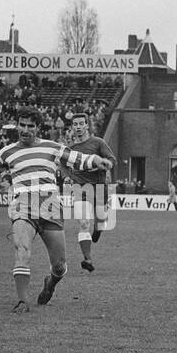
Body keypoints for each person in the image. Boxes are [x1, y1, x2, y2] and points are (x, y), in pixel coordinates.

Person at [0, 109, 111, 312]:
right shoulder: (7, 152)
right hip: (22, 207)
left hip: (50, 207)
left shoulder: (52, 147)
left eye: (31, 126)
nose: (26, 129)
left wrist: (98, 161)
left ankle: (50, 282)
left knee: (60, 266)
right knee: (22, 250)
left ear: (38, 128)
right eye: (22, 125)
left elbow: (80, 159)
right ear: (17, 125)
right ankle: (22, 301)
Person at [59, 115, 116, 271]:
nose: (78, 127)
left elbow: (112, 159)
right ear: (72, 127)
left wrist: (106, 164)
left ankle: (99, 229)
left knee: (101, 218)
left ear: (86, 126)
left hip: (99, 187)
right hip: (79, 188)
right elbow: (62, 164)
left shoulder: (98, 143)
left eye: (81, 124)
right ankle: (88, 259)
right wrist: (67, 177)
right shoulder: (70, 149)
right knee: (84, 223)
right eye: (75, 124)